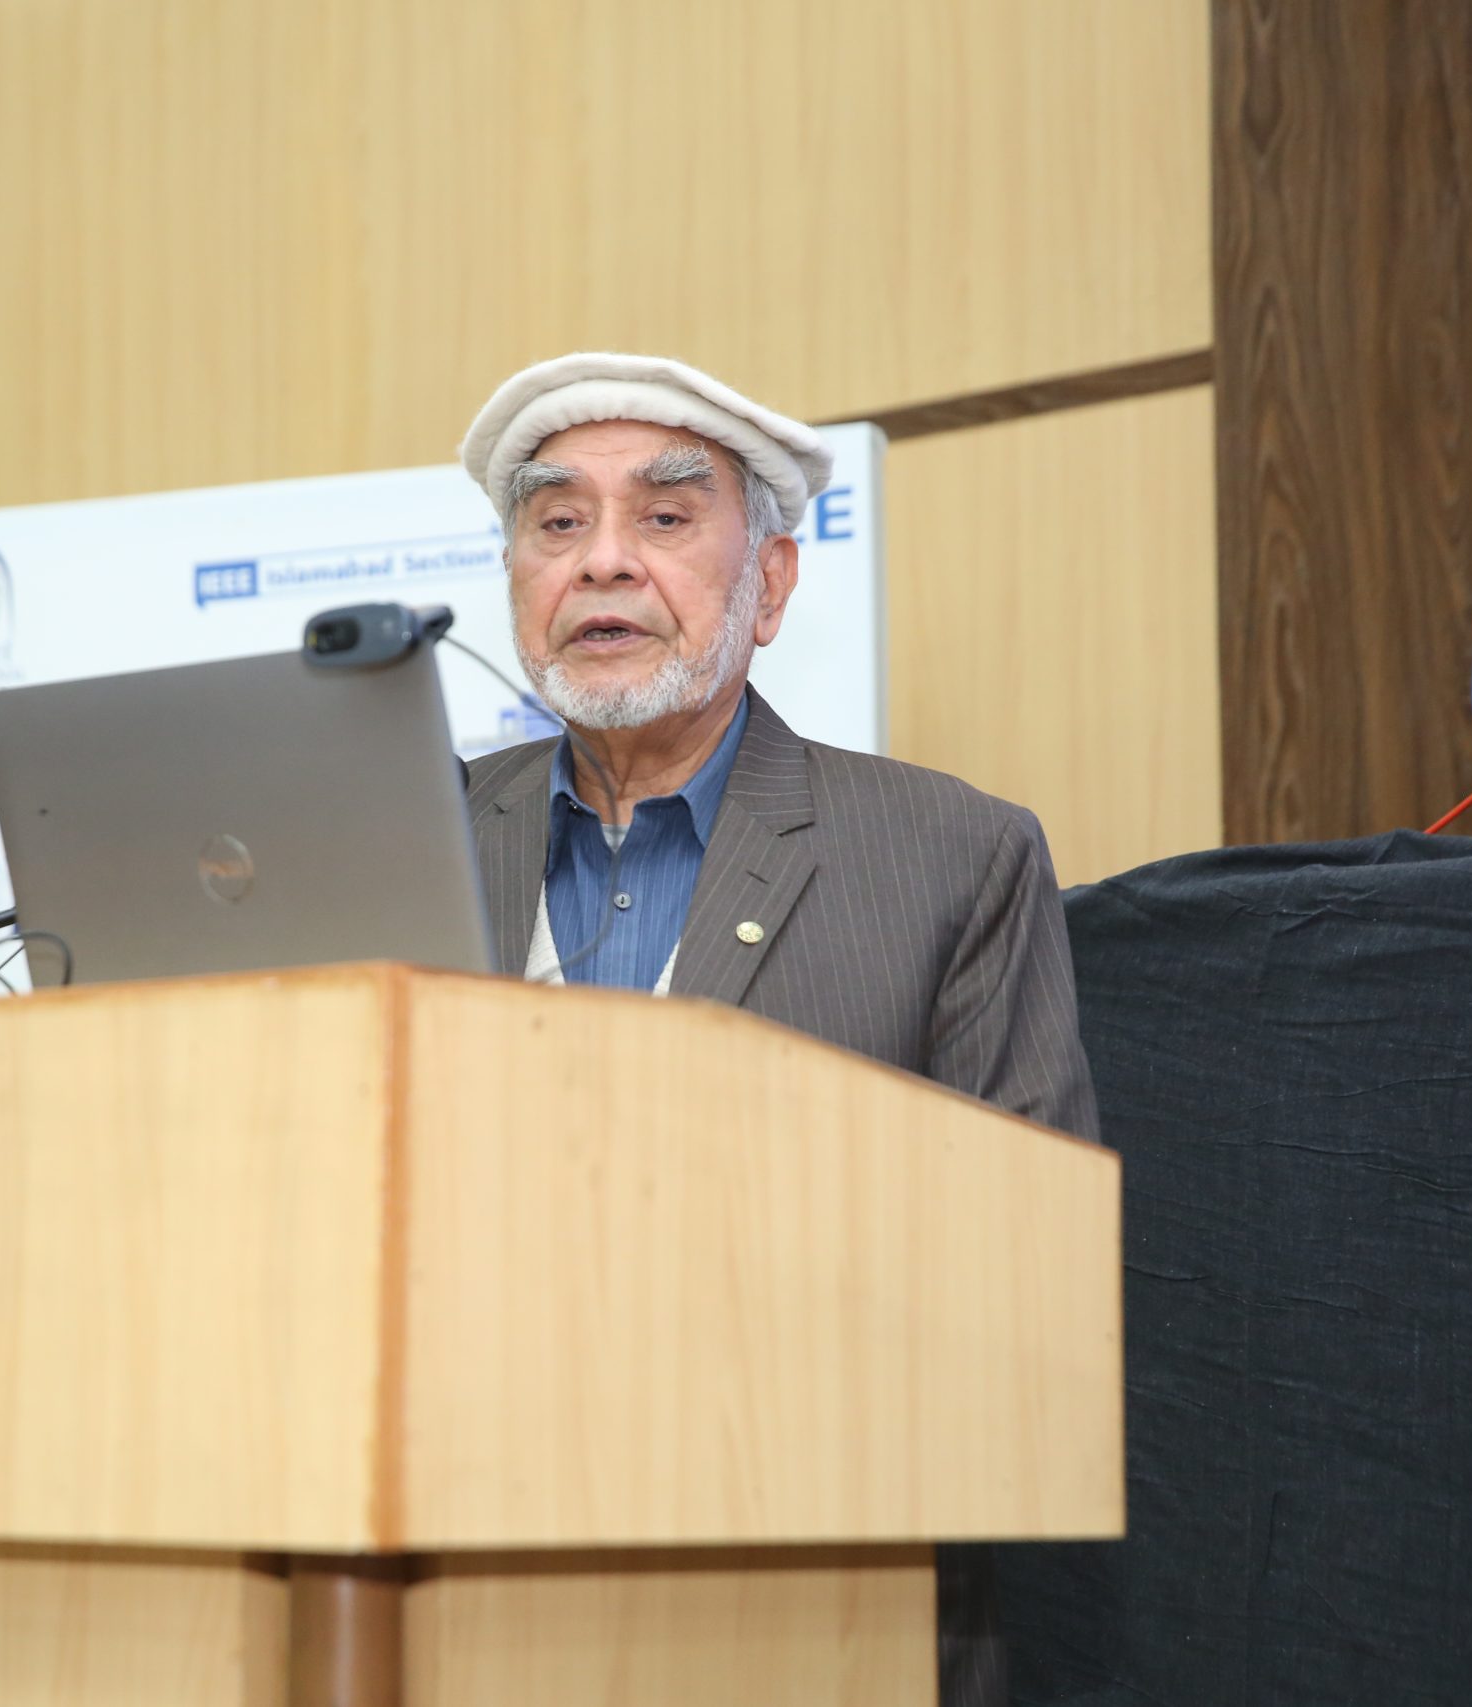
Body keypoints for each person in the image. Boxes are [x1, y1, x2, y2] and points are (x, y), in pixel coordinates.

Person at [459, 352, 1101, 1707]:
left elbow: (1034, 1295)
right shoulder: (417, 834)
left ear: (772, 585)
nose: (604, 561)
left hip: (808, 1603)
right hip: (451, 1585)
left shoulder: (948, 855)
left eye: (666, 515)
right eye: (558, 521)